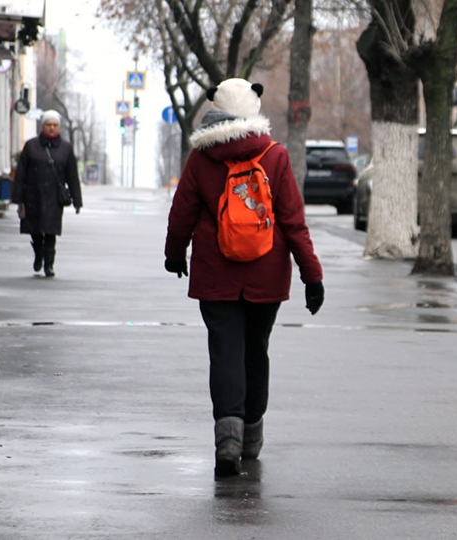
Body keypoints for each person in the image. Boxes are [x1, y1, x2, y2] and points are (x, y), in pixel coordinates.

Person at [164, 78, 324, 477]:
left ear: (214, 108)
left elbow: (181, 211)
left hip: (215, 276)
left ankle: (228, 440)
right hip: (266, 276)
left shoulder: (202, 158)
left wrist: (174, 254)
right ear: (254, 107)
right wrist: (312, 275)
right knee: (256, 350)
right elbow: (292, 222)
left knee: (224, 352)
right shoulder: (274, 156)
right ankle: (251, 436)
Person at [11, 109, 83, 277]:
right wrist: (18, 197)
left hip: (53, 198)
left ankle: (49, 264)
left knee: (51, 231)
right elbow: (21, 173)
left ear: (59, 127)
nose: (51, 128)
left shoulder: (65, 149)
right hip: (33, 196)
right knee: (35, 229)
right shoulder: (31, 146)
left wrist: (77, 201)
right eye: (48, 125)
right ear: (43, 126)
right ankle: (38, 254)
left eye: (55, 125)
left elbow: (72, 177)